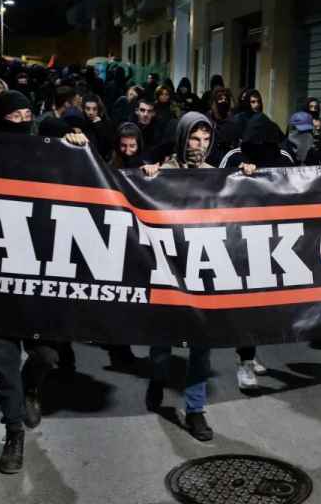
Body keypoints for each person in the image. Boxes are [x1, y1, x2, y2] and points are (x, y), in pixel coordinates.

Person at [0, 90, 89, 474]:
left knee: (47, 354)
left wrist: (75, 146)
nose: (23, 121)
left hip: (39, 274)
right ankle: (13, 434)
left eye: (29, 113)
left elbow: (79, 180)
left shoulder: (45, 152)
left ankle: (32, 387)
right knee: (3, 364)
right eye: (14, 115)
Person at [141, 112, 218, 441]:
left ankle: (196, 410)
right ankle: (158, 376)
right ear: (182, 137)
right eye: (193, 139)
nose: (199, 146)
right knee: (162, 344)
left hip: (203, 271)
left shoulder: (218, 177)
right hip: (169, 272)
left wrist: (248, 176)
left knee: (202, 345)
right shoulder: (165, 172)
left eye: (205, 140)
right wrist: (148, 178)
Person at [218, 112, 293, 389]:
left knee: (266, 306)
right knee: (248, 304)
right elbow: (211, 186)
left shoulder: (283, 159)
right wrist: (239, 175)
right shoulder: (234, 158)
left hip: (275, 239)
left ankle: (252, 352)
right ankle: (245, 361)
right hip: (240, 239)